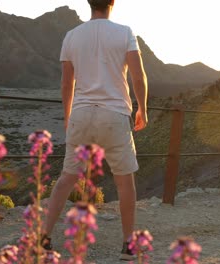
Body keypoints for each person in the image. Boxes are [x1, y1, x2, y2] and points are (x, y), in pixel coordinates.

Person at [43, 0, 148, 261]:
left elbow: (67, 83)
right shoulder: (124, 32)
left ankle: (44, 236)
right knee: (124, 182)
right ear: (112, 2)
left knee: (67, 178)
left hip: (81, 113)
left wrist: (69, 116)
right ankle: (127, 245)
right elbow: (138, 76)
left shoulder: (71, 36)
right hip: (114, 114)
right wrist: (142, 109)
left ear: (90, 3)